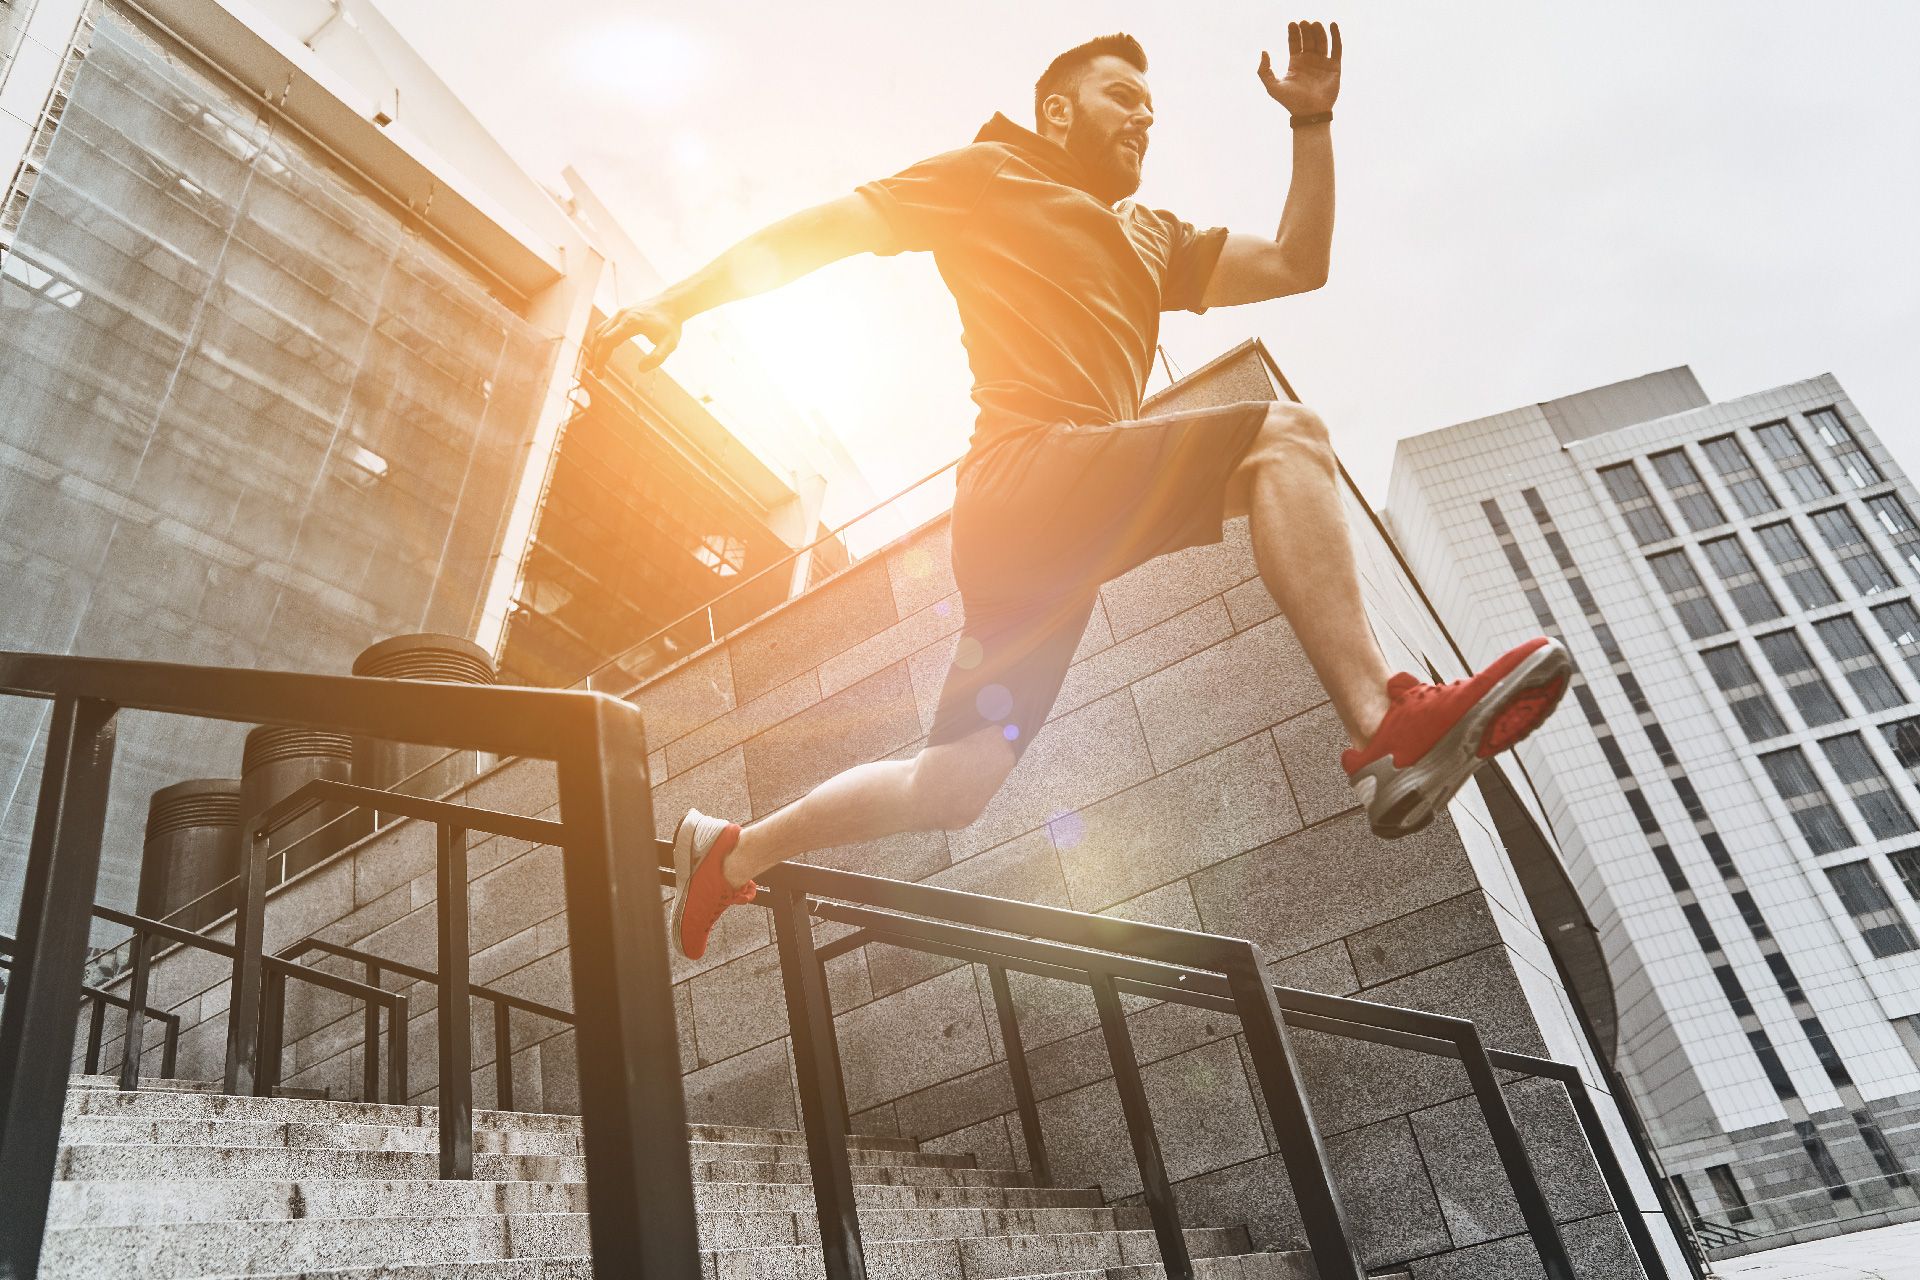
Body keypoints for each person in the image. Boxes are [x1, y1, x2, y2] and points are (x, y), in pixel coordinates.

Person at [588, 23, 1571, 961]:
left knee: (955, 780)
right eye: (1122, 98)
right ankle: (1383, 721)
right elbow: (827, 229)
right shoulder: (990, 175)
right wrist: (676, 301)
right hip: (1025, 477)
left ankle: (733, 849)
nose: (1144, 118)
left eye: (1153, 106)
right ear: (1057, 113)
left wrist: (1310, 125)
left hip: (1052, 539)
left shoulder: (1152, 237)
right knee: (1287, 441)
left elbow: (1297, 263)